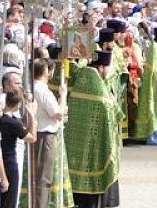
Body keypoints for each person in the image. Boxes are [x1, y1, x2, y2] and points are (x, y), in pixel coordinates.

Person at [66, 51, 120, 208]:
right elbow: (114, 113)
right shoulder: (100, 90)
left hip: (74, 151)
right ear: (102, 67)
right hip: (94, 149)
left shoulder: (79, 82)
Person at [32, 57, 68, 208]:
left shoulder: (35, 87)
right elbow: (57, 114)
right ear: (47, 71)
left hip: (40, 132)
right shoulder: (41, 89)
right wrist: (63, 96)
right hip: (45, 135)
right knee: (43, 177)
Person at [0, 90, 36, 208]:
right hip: (10, 164)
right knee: (10, 201)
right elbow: (32, 138)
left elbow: (24, 129)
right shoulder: (12, 123)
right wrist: (32, 116)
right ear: (18, 105)